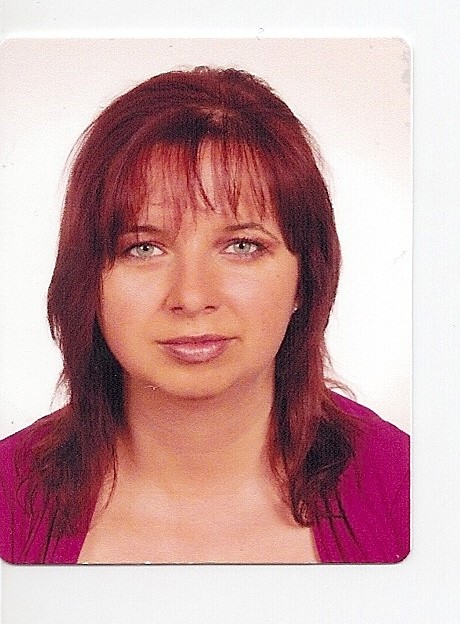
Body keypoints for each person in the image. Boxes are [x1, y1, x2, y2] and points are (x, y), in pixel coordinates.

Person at [0, 66, 409, 564]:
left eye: (242, 245)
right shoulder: (7, 499)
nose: (192, 297)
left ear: (306, 276)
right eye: (144, 248)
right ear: (87, 278)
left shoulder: (414, 490)